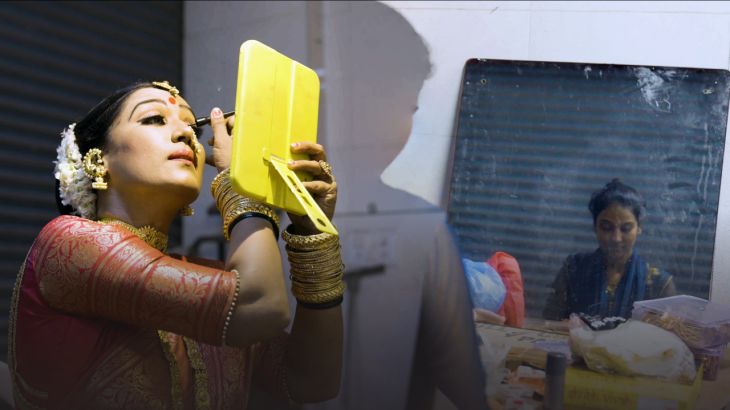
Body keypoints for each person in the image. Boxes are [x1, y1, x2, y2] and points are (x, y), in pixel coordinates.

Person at [8, 80, 344, 409]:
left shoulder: (212, 276)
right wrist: (244, 185)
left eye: (193, 127)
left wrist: (311, 233)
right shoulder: (69, 242)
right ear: (98, 160)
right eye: (154, 118)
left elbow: (309, 382)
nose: (185, 133)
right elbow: (258, 307)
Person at [318, 3, 487, 409]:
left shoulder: (256, 213)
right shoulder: (420, 229)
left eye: (409, 108)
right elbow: (464, 381)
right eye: (400, 103)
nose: (400, 125)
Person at [543, 178, 676, 320]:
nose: (616, 238)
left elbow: (670, 331)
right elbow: (549, 323)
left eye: (626, 228)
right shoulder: (573, 269)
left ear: (639, 227)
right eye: (606, 227)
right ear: (595, 227)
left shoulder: (659, 284)